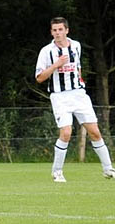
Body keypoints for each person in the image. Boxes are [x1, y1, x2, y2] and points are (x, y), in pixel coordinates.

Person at [35, 16, 115, 182]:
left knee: (94, 131)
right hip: (59, 96)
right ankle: (57, 172)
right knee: (66, 132)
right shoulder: (46, 51)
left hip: (78, 94)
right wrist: (56, 65)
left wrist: (80, 81)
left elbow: (77, 67)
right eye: (54, 30)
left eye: (60, 29)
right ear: (51, 32)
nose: (57, 33)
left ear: (66, 30)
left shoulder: (76, 46)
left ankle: (108, 169)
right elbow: (39, 77)